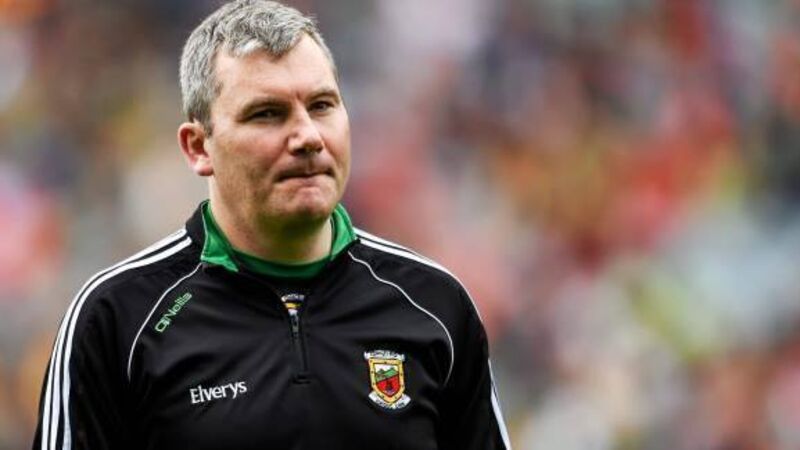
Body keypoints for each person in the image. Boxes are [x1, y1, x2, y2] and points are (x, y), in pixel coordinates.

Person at [32, 1, 511, 448]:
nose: (307, 136)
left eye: (322, 105)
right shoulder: (117, 318)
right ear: (198, 147)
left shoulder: (434, 304)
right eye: (267, 114)